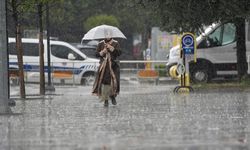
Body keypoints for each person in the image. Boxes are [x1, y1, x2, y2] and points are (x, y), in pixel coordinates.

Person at [92, 36, 121, 107]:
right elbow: (96, 54)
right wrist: (102, 52)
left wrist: (112, 49)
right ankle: (106, 100)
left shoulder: (115, 43)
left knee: (114, 82)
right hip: (104, 66)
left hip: (113, 66)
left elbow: (119, 53)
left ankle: (112, 96)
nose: (108, 36)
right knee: (105, 82)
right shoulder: (101, 43)